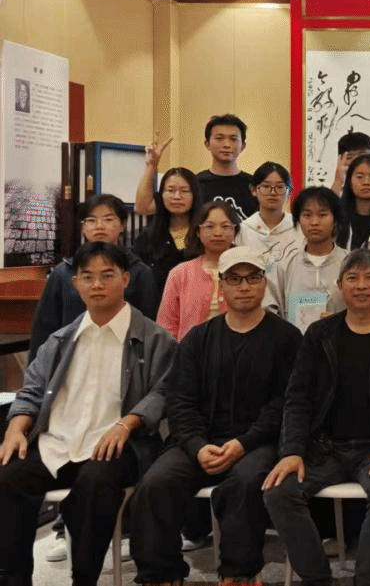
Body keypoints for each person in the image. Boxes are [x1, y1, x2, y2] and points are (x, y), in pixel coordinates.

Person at [0, 242, 175, 586]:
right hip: (57, 441)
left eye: (107, 275)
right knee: (7, 478)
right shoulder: (60, 340)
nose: (97, 285)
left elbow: (165, 391)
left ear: (125, 279)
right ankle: (12, 579)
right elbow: (32, 390)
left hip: (120, 445)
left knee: (95, 483)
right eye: (88, 277)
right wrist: (15, 429)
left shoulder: (156, 338)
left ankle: (84, 578)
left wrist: (128, 422)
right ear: (75, 283)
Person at [130, 247, 301, 586]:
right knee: (155, 483)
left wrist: (244, 443)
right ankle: (161, 574)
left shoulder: (287, 338)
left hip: (258, 442)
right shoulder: (198, 338)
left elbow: (286, 404)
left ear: (264, 282)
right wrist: (197, 446)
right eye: (234, 279)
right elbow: (180, 401)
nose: (244, 286)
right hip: (199, 440)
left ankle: (239, 574)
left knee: (245, 484)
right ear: (222, 285)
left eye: (252, 278)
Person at [262, 250, 370, 586]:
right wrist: (292, 451)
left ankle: (367, 581)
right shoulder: (319, 333)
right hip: (325, 449)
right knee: (279, 490)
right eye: (352, 278)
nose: (361, 285)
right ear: (340, 286)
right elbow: (297, 398)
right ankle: (317, 579)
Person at [29, 194, 158, 361]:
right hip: (72, 358)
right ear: (83, 228)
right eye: (91, 220)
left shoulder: (139, 272)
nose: (99, 226)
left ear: (122, 226)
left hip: (124, 360)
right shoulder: (63, 272)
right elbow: (44, 327)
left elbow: (149, 325)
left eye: (108, 219)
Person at [134, 116, 257, 221]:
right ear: (207, 144)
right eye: (219, 138)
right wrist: (151, 165)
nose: (226, 145)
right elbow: (143, 208)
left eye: (233, 139)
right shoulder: (194, 184)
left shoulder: (256, 185)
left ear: (243, 146)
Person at [264, 186, 348, 326]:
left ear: (335, 220)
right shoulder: (283, 264)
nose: (314, 222)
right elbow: (270, 309)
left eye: (322, 215)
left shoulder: (350, 263)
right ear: (298, 220)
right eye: (307, 215)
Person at [157, 200, 240, 341]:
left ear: (235, 231)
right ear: (197, 231)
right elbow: (166, 327)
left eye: (226, 226)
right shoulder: (180, 273)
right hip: (189, 352)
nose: (218, 233)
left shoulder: (246, 272)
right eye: (209, 226)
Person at [133, 167, 202, 292]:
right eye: (170, 190)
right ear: (161, 195)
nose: (177, 196)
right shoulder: (148, 236)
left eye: (184, 191)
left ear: (195, 195)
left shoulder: (203, 234)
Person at [236, 161, 298, 268]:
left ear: (289, 192)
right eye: (266, 186)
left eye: (280, 187)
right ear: (254, 190)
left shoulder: (299, 228)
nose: (273, 192)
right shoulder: (243, 230)